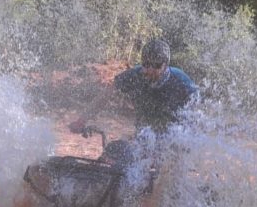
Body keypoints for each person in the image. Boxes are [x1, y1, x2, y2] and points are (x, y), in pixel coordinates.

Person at [69, 39, 199, 135]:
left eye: (157, 65)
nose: (150, 70)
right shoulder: (134, 75)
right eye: (146, 64)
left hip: (173, 134)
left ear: (166, 65)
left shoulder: (181, 82)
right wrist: (82, 121)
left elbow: (198, 111)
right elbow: (105, 95)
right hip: (144, 132)